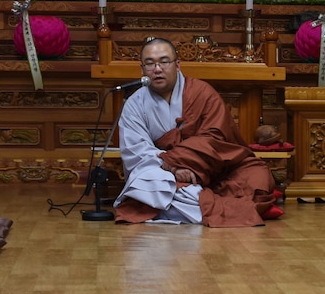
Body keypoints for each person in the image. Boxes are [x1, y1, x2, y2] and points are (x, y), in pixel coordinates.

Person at [113, 38, 280, 227]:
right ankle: (201, 203)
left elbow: (217, 139)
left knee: (258, 175)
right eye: (150, 63)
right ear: (142, 69)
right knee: (147, 182)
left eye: (164, 62)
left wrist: (188, 163)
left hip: (214, 169)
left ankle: (181, 208)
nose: (157, 69)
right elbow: (137, 150)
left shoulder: (202, 93)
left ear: (177, 65)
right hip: (164, 172)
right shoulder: (135, 104)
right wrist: (173, 167)